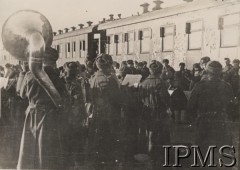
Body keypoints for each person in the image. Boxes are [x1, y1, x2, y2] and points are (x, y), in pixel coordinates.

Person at [17, 47, 67, 169]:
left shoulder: (29, 74)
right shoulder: (55, 76)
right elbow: (63, 97)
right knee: (45, 146)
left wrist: (23, 73)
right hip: (48, 115)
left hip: (32, 113)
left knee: (30, 144)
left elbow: (22, 94)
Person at [188, 61, 234, 170]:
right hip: (221, 122)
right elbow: (232, 107)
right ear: (220, 73)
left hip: (204, 122)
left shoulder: (199, 86)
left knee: (202, 152)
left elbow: (190, 106)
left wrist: (195, 119)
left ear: (207, 71)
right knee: (223, 152)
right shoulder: (227, 86)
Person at [88, 54, 122, 170]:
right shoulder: (109, 80)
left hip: (98, 111)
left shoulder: (94, 77)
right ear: (108, 65)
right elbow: (116, 98)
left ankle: (99, 159)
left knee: (98, 136)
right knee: (107, 138)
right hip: (108, 113)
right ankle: (107, 161)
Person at [138, 60, 171, 169]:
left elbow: (140, 98)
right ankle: (158, 160)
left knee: (149, 135)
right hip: (159, 113)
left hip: (147, 111)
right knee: (161, 137)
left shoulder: (143, 82)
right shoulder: (160, 83)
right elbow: (165, 99)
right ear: (160, 70)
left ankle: (150, 157)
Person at [64, 62, 87, 167]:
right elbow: (79, 101)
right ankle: (77, 160)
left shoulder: (62, 82)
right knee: (77, 137)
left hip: (65, 114)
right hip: (74, 114)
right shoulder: (76, 84)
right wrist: (83, 114)